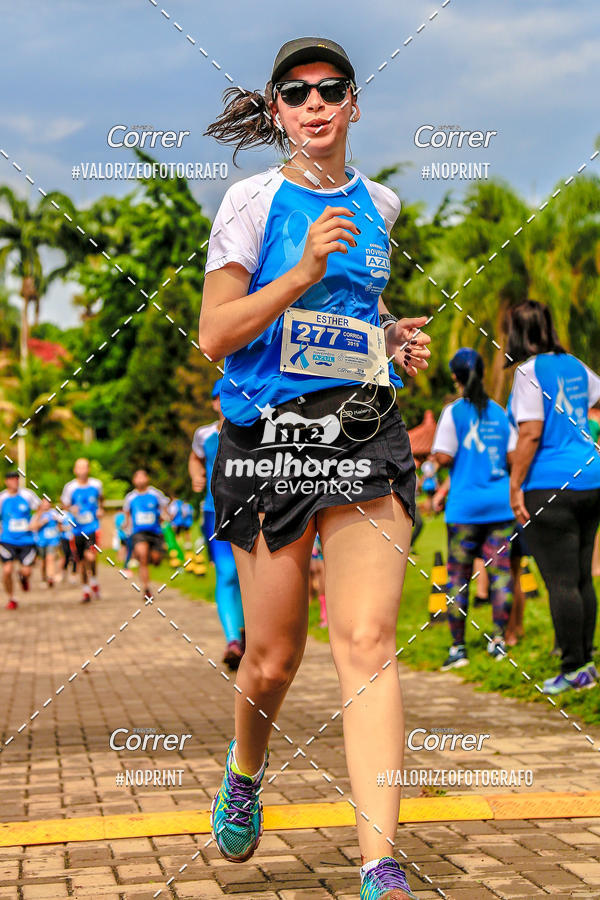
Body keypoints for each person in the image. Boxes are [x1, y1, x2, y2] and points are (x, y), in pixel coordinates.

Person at [200, 36, 431, 899]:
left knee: (367, 642)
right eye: (295, 94)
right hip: (269, 440)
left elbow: (352, 313)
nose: (315, 104)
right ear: (278, 112)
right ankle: (245, 769)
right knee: (273, 658)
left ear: (354, 103)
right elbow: (216, 334)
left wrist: (388, 336)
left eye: (331, 88)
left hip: (364, 429)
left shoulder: (381, 204)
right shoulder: (251, 202)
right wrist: (299, 272)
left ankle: (379, 863)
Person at [506, 300, 600, 694]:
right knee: (581, 577)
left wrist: (515, 485)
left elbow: (530, 432)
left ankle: (573, 667)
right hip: (591, 477)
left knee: (561, 581)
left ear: (517, 332)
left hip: (550, 485)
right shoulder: (576, 365)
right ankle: (586, 663)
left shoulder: (529, 371)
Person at [432, 348, 516, 670]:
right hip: (500, 506)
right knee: (501, 575)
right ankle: (499, 642)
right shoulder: (499, 412)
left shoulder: (453, 412)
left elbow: (443, 456)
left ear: (456, 377)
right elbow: (512, 456)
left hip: (464, 509)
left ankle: (458, 649)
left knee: (458, 577)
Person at [190, 380, 245, 670]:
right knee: (227, 573)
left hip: (250, 510)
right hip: (216, 512)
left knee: (250, 575)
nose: (225, 402)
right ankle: (233, 640)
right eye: (220, 397)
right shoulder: (204, 434)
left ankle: (248, 633)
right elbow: (195, 457)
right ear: (214, 403)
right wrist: (196, 475)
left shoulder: (252, 427)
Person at [61, 459, 104, 603]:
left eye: (84, 467)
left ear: (88, 469)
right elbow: (64, 505)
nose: (82, 470)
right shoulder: (70, 487)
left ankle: (94, 579)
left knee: (90, 556)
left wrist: (100, 509)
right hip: (77, 529)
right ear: (75, 470)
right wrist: (70, 509)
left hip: (92, 527)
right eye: (79, 467)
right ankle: (86, 589)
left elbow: (101, 499)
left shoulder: (96, 484)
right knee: (82, 560)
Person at [123, 470, 170, 599]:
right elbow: (127, 514)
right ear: (134, 480)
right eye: (137, 477)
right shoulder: (130, 497)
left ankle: (153, 558)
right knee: (143, 557)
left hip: (155, 532)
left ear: (147, 478)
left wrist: (165, 516)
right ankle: (146, 589)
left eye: (142, 476)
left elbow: (165, 508)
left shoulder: (155, 494)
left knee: (156, 559)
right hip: (138, 532)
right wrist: (126, 525)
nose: (140, 480)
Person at [0, 471, 42, 609]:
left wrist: (35, 521)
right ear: (6, 482)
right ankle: (11, 598)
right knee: (7, 570)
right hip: (7, 540)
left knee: (26, 572)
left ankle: (23, 577)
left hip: (26, 540)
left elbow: (41, 507)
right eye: (11, 479)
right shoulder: (2, 498)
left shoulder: (27, 495)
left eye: (16, 479)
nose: (14, 482)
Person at [35, 499, 62, 588]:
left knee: (50, 559)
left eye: (48, 503)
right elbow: (33, 526)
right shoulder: (38, 514)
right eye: (44, 504)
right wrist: (42, 522)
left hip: (53, 540)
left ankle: (50, 577)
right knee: (43, 561)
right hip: (41, 541)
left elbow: (60, 525)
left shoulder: (54, 513)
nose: (46, 505)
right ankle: (44, 578)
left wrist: (58, 522)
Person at [309, 534, 327, 627]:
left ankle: (326, 616)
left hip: (322, 554)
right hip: (315, 555)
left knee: (323, 583)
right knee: (319, 584)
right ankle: (323, 614)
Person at [113, 511, 133, 576]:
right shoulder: (121, 517)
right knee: (128, 550)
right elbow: (122, 526)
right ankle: (125, 566)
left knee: (124, 548)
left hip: (124, 535)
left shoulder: (118, 517)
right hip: (125, 535)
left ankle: (123, 561)